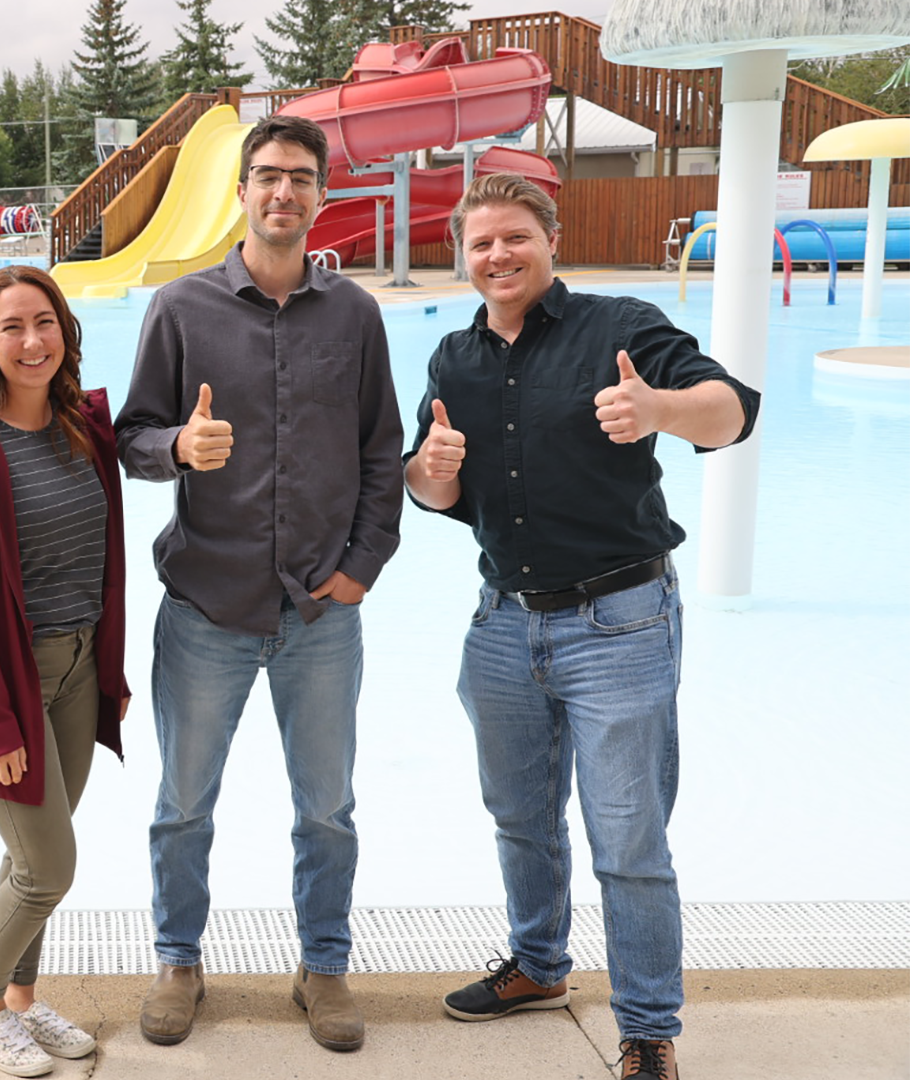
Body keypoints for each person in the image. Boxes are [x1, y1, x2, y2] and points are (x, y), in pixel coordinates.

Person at [404, 173, 759, 1080]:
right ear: (463, 255)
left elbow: (733, 410)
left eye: (515, 237)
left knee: (628, 837)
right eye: (481, 243)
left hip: (621, 621)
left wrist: (661, 412)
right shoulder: (453, 359)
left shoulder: (621, 327)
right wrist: (429, 468)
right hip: (501, 625)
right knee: (521, 816)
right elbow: (437, 492)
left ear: (549, 239)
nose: (499, 256)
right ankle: (539, 965)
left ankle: (646, 1029)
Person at [115, 113, 404, 1052]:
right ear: (241, 191)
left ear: (321, 195)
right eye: (268, 175)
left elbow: (379, 454)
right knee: (184, 805)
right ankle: (177, 959)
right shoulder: (180, 309)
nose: (284, 192)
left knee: (327, 810)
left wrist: (362, 569)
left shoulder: (356, 316)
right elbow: (130, 437)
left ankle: (324, 968)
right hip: (208, 606)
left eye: (301, 178)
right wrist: (176, 447)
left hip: (323, 610)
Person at [0, 265, 132, 1078]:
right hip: (10, 680)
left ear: (65, 331)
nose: (32, 340)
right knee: (48, 867)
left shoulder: (84, 428)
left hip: (79, 665)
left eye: (44, 322)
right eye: (13, 327)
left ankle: (20, 998)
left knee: (36, 857)